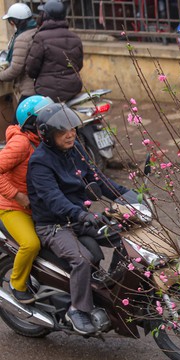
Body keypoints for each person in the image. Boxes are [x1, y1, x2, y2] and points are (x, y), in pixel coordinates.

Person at [27, 103, 128, 335]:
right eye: (63, 131)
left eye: (72, 129)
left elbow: (99, 179)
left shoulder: (76, 150)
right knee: (82, 259)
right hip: (54, 225)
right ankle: (77, 310)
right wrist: (81, 214)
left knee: (125, 235)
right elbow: (53, 199)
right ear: (48, 135)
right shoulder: (40, 162)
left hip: (80, 218)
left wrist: (128, 195)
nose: (70, 134)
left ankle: (111, 288)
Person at [0, 95, 53, 304]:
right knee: (30, 244)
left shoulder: (46, 141)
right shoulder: (21, 144)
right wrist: (17, 195)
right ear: (33, 123)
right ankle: (17, 284)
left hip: (38, 206)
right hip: (12, 207)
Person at [26, 0, 83, 102]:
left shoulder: (40, 38)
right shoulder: (76, 38)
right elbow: (78, 65)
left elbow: (32, 69)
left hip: (47, 91)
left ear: (46, 16)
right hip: (73, 88)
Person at [0, 3, 38, 106]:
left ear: (15, 22)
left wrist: (1, 75)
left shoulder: (22, 39)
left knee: (18, 121)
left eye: (11, 21)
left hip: (29, 89)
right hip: (39, 85)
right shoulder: (36, 31)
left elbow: (15, 69)